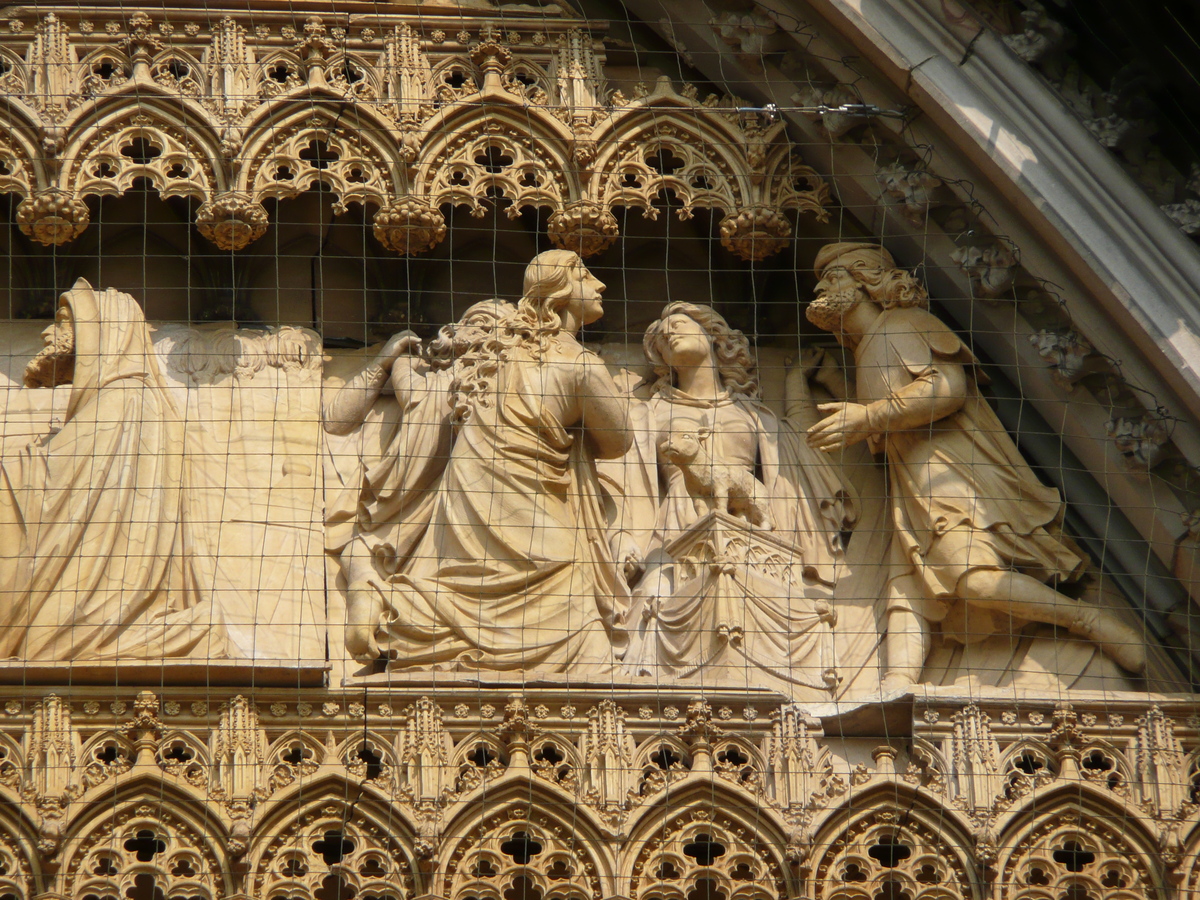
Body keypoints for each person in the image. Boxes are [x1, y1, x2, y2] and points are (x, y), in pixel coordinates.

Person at [803, 241, 1147, 687]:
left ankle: (1086, 620)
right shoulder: (869, 346)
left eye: (835, 277)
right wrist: (839, 391)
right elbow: (888, 416)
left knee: (974, 579)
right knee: (907, 584)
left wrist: (867, 415)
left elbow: (947, 388)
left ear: (868, 281)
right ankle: (899, 683)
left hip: (951, 473)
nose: (820, 287)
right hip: (911, 482)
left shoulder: (902, 324)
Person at [346, 250, 634, 673]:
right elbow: (618, 441)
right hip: (536, 516)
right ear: (559, 291)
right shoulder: (581, 368)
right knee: (582, 638)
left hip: (470, 506)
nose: (600, 285)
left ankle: (395, 602)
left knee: (462, 588)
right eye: (586, 275)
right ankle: (388, 597)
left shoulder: (486, 362)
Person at [619, 302, 854, 690]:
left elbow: (802, 445)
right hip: (674, 531)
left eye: (678, 325)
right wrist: (623, 538)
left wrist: (797, 381)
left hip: (752, 531)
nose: (669, 334)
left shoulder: (752, 413)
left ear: (713, 337)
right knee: (653, 596)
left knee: (783, 602)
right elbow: (626, 482)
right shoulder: (649, 413)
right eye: (661, 338)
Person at [0, 280, 237, 662]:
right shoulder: (127, 399)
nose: (46, 333)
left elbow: (64, 488)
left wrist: (19, 466)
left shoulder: (123, 398)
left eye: (61, 323)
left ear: (100, 334)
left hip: (96, 600)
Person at [323, 300, 514, 659]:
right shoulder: (422, 373)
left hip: (474, 499)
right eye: (475, 322)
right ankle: (368, 597)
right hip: (412, 495)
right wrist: (385, 362)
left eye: (491, 328)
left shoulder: (510, 384)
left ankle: (372, 597)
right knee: (361, 550)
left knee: (364, 551)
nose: (478, 333)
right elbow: (335, 421)